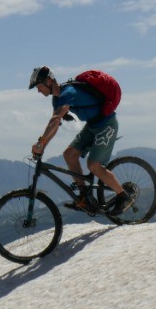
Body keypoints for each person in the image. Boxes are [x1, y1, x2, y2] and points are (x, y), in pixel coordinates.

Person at [28, 66, 134, 215]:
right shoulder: (57, 99)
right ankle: (85, 197)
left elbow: (55, 119)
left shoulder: (68, 93)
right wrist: (43, 145)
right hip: (92, 125)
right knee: (69, 154)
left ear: (49, 81)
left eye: (39, 87)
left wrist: (41, 142)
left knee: (94, 166)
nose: (39, 91)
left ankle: (124, 196)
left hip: (107, 124)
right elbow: (55, 125)